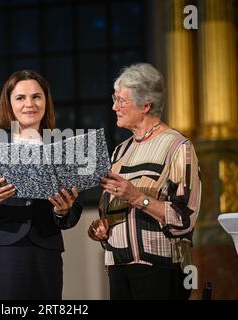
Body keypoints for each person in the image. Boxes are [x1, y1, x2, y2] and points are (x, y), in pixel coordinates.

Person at [0, 70, 83, 300]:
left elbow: (74, 212)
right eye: (20, 98)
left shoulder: (61, 147)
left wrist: (63, 211)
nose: (29, 104)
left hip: (44, 254)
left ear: (46, 101)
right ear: (9, 103)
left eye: (36, 97)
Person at [88, 63, 201, 300]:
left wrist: (138, 197)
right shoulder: (119, 152)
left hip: (159, 268)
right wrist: (102, 226)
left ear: (146, 105)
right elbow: (111, 210)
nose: (114, 107)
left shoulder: (178, 147)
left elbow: (185, 218)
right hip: (118, 267)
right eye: (114, 99)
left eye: (121, 101)